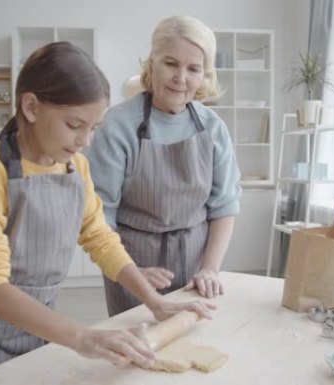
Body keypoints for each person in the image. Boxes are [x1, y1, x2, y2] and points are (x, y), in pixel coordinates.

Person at [0, 42, 214, 385]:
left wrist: (153, 300)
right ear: (32, 107)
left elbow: (100, 239)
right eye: (74, 125)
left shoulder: (74, 168)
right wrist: (82, 337)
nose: (86, 140)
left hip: (39, 328)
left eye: (94, 128)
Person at [86, 15, 242, 317]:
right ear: (151, 64)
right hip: (133, 262)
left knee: (193, 345)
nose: (180, 77)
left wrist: (209, 269)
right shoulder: (118, 125)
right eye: (170, 63)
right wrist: (130, 272)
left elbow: (224, 206)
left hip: (197, 261)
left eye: (193, 68)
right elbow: (100, 214)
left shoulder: (213, 127)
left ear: (204, 76)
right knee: (136, 349)